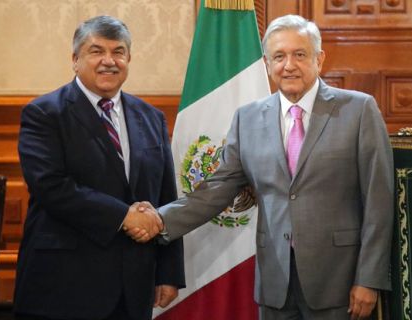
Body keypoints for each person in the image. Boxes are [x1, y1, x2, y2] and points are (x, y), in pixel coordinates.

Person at [131, 14, 394, 320]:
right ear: (267, 64)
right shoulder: (248, 118)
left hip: (340, 282)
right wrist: (159, 220)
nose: (289, 65)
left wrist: (369, 279)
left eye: (299, 54)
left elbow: (379, 201)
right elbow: (217, 190)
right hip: (275, 285)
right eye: (279, 56)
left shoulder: (359, 110)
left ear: (319, 59)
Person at [13, 15, 185, 320]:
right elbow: (51, 187)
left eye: (118, 52)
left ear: (129, 59)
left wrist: (168, 272)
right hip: (63, 286)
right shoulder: (44, 113)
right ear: (75, 59)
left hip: (133, 285)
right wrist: (124, 215)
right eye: (96, 51)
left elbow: (165, 195)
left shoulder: (151, 117)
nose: (109, 61)